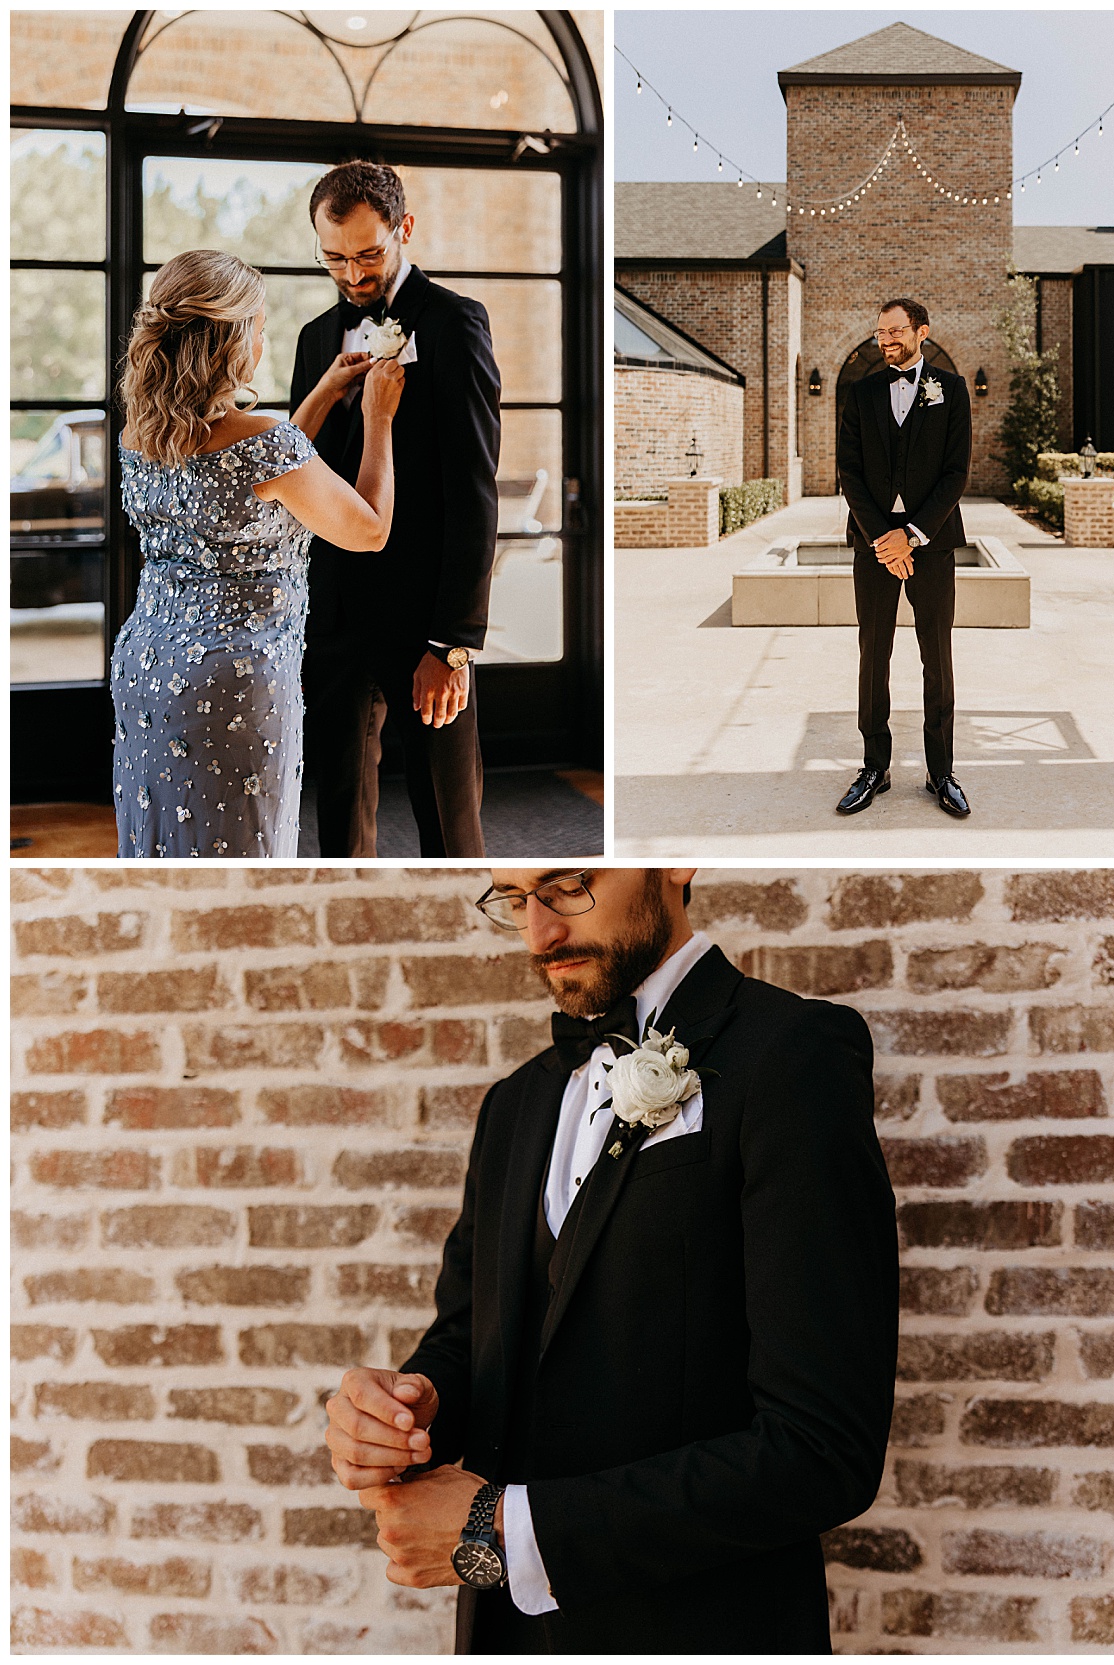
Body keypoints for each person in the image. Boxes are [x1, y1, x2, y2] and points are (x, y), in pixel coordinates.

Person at [324, 868, 899, 1654]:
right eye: (515, 899)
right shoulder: (513, 1103)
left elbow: (824, 1448)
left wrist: (508, 1531)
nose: (539, 933)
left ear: (674, 860)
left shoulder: (793, 1054)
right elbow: (471, 1335)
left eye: (567, 885)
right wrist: (408, 1406)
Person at [111, 248, 405, 858]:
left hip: (147, 665)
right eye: (261, 329)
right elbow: (369, 529)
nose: (265, 341)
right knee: (240, 850)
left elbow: (264, 476)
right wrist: (379, 418)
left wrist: (323, 390)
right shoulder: (261, 441)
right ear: (233, 341)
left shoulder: (141, 434)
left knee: (167, 846)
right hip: (232, 686)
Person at [291, 161, 502, 858]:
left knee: (449, 827)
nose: (353, 275)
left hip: (424, 626)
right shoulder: (314, 338)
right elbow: (299, 471)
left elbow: (474, 490)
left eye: (368, 254)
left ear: (404, 229)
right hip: (333, 620)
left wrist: (453, 640)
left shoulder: (456, 325)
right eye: (334, 258)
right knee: (340, 826)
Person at [835, 296, 973, 820]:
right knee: (874, 655)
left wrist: (911, 534)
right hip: (873, 544)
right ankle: (875, 767)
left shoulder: (951, 389)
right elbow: (848, 471)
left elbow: (956, 472)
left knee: (936, 657)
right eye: (880, 333)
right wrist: (882, 539)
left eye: (895, 331)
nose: (886, 340)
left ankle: (942, 771)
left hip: (931, 542)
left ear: (922, 332)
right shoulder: (861, 391)